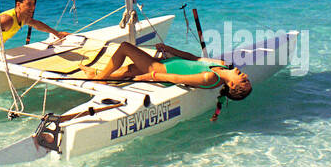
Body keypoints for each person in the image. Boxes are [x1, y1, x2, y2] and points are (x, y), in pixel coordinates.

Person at [86, 40, 252, 99]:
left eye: (243, 80)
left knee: (125, 47)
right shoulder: (221, 64)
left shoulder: (211, 78)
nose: (244, 75)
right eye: (247, 78)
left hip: (160, 69)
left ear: (231, 85)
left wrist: (151, 76)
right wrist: (169, 48)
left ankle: (98, 79)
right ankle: (101, 76)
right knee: (129, 70)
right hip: (166, 61)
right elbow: (193, 58)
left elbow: (178, 79)